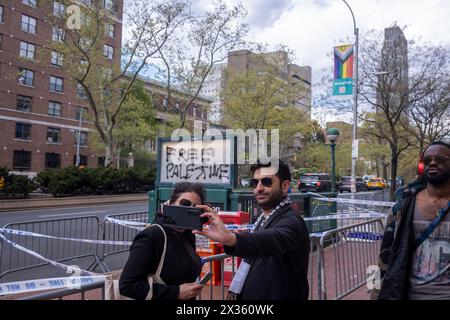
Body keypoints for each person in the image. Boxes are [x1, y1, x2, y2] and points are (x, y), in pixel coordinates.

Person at [196, 159, 310, 300]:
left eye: (267, 182)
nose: (259, 188)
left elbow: (273, 239)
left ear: (285, 186)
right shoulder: (264, 219)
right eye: (255, 183)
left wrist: (232, 239)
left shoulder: (292, 221)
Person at [372, 141, 450, 300]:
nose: (433, 162)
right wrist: (376, 294)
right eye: (427, 160)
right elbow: (385, 260)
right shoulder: (402, 208)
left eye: (440, 159)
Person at [119, 182, 206, 300]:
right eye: (185, 203)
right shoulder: (152, 235)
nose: (188, 209)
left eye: (195, 208)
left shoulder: (187, 234)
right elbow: (127, 286)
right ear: (171, 203)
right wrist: (176, 292)